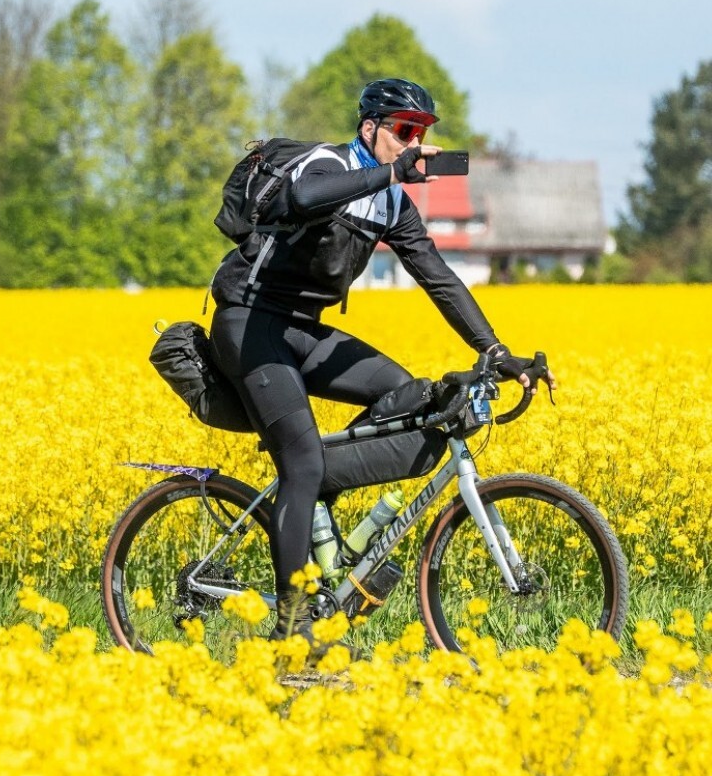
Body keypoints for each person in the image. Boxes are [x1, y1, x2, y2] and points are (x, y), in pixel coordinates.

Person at [208, 77, 552, 641]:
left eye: (419, 134)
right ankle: (293, 625)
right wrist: (392, 172)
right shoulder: (327, 163)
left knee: (406, 395)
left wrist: (496, 352)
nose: (413, 143)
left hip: (302, 329)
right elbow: (303, 199)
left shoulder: (392, 204)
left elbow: (439, 278)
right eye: (403, 131)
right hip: (249, 323)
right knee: (302, 464)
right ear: (369, 129)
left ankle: (314, 493)